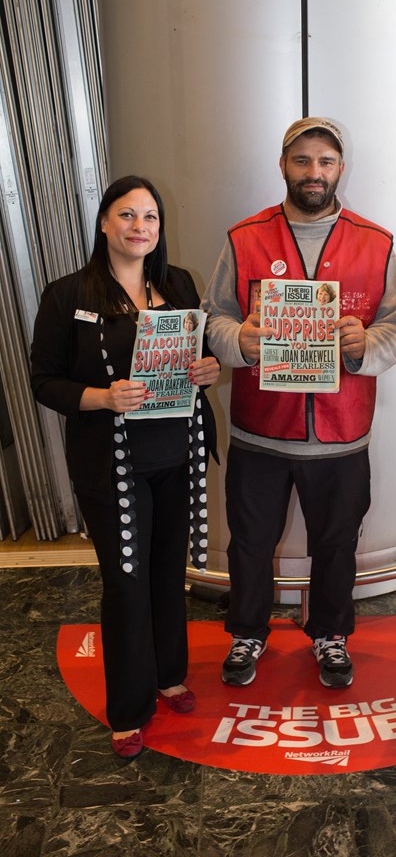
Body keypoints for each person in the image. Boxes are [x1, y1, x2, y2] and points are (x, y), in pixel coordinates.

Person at [202, 116, 396, 689]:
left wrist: (364, 345)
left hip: (343, 433)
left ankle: (330, 635)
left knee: (337, 544)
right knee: (249, 543)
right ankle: (247, 630)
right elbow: (212, 315)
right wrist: (237, 341)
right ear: (283, 166)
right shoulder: (245, 238)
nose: (313, 173)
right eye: (302, 161)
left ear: (341, 168)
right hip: (259, 431)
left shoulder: (376, 242)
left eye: (325, 161)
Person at [31, 175, 220, 759]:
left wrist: (208, 370)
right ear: (105, 224)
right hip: (112, 462)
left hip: (177, 453)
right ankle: (129, 708)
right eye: (128, 215)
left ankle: (168, 675)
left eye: (151, 218)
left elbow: (199, 355)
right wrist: (103, 396)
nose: (141, 227)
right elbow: (44, 382)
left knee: (168, 572)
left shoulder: (179, 283)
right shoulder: (68, 295)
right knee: (126, 580)